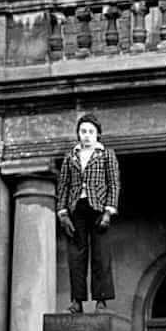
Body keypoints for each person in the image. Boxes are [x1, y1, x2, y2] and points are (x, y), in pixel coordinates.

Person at [56, 113, 121, 313]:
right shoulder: (70, 157)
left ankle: (101, 300)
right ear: (78, 134)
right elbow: (63, 186)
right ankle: (77, 300)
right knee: (76, 256)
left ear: (98, 135)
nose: (86, 135)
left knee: (101, 255)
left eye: (91, 132)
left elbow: (114, 183)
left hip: (99, 209)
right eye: (83, 131)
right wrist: (63, 213)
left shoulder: (106, 155)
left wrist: (109, 212)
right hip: (77, 209)